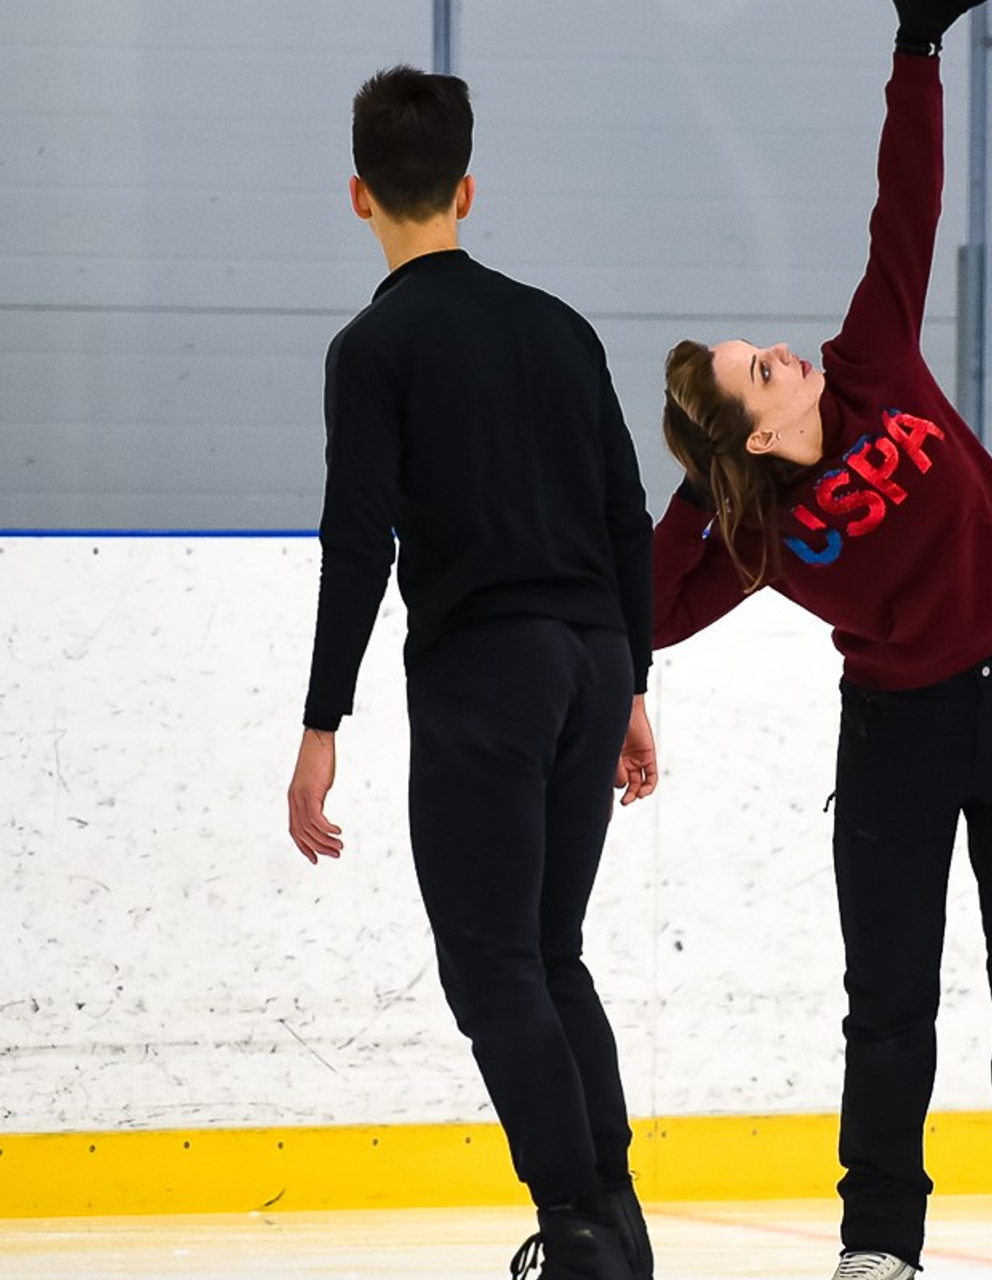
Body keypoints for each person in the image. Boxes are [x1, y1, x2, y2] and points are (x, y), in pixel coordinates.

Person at [642, 3, 992, 1279]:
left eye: (769, 347)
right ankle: (877, 1244)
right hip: (898, 736)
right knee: (889, 1006)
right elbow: (646, 608)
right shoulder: (752, 533)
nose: (784, 350)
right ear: (748, 429)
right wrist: (696, 492)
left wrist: (914, 47)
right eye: (762, 367)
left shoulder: (874, 361)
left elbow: (904, 204)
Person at [285, 67, 659, 1280]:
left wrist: (321, 717)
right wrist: (634, 682)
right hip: (592, 655)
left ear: (357, 195)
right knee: (551, 948)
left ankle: (582, 1234)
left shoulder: (372, 345)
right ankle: (616, 1219)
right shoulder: (560, 326)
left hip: (486, 672)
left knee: (492, 964)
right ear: (466, 186)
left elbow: (360, 539)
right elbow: (621, 508)